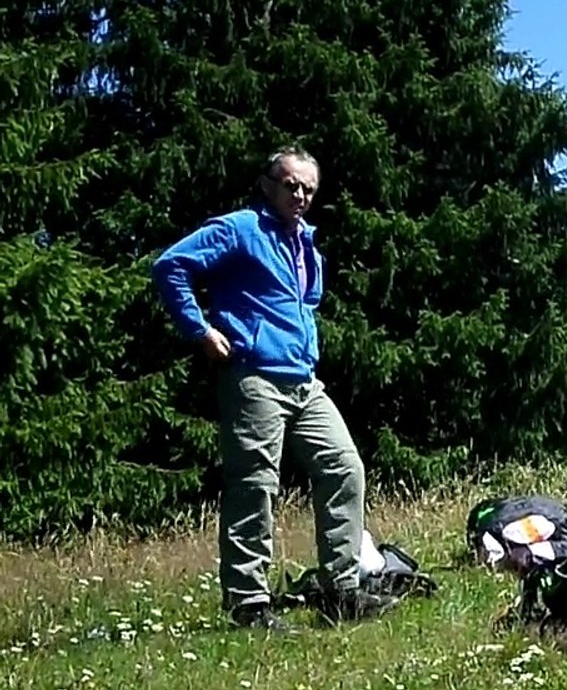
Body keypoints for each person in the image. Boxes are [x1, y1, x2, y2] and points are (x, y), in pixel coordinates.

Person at [152, 147, 398, 631]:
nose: (300, 195)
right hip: (255, 376)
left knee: (345, 467)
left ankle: (343, 589)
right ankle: (248, 604)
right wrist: (200, 329)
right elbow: (171, 265)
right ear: (268, 185)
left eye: (308, 188)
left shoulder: (306, 242)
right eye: (291, 185)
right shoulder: (241, 228)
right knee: (255, 485)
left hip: (304, 380)